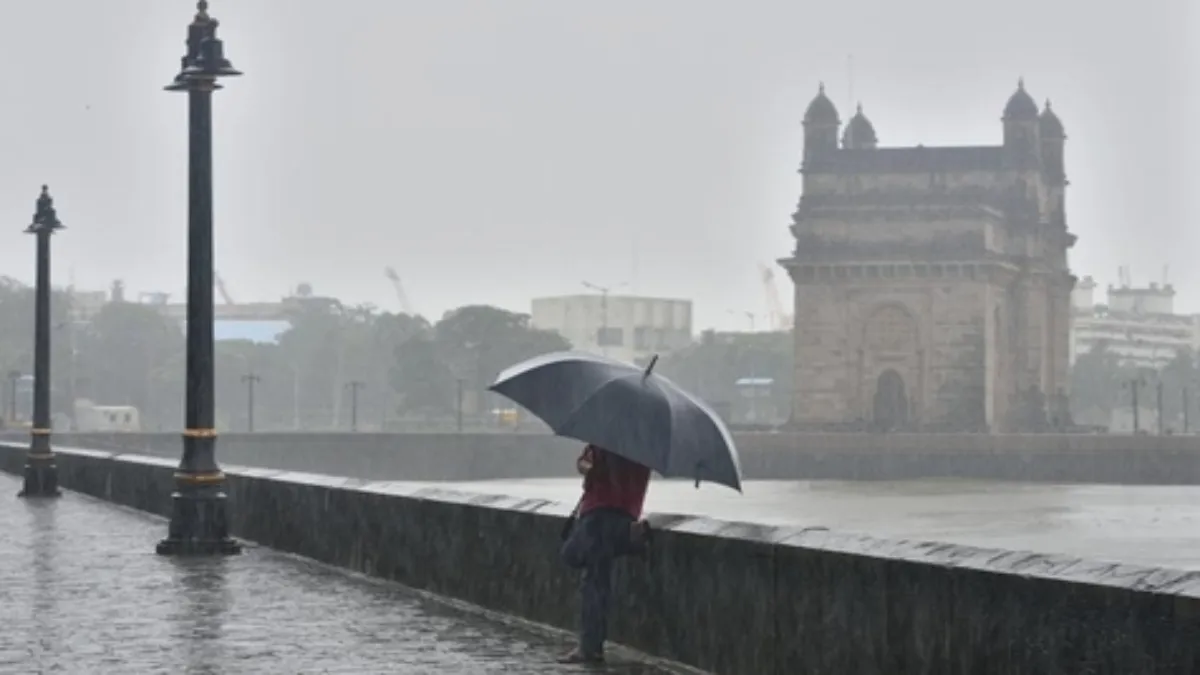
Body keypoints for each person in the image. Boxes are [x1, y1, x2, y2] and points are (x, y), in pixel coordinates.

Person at [557, 444, 652, 665]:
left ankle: (590, 648)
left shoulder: (606, 438)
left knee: (593, 581)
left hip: (597, 514)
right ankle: (628, 536)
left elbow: (584, 464)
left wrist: (590, 469)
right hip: (626, 512)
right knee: (584, 565)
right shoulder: (644, 445)